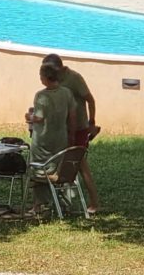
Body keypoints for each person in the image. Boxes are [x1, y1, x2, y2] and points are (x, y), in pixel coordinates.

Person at [41, 53, 101, 214]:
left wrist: (92, 122)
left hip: (78, 129)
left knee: (80, 165)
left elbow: (90, 100)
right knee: (57, 164)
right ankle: (60, 203)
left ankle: (94, 202)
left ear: (59, 68)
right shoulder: (54, 80)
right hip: (61, 130)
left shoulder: (74, 78)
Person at [25, 62, 78, 213]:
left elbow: (39, 118)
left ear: (46, 78)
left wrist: (29, 116)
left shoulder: (41, 96)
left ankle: (38, 204)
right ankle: (62, 202)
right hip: (61, 139)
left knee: (37, 169)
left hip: (42, 141)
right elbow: (72, 115)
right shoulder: (66, 93)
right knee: (58, 168)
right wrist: (72, 135)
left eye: (41, 76)